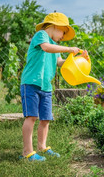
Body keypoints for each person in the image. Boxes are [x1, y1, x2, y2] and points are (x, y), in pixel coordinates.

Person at [19, 12, 88, 161]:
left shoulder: (55, 46)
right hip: (31, 83)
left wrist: (77, 58)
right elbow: (46, 48)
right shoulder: (41, 35)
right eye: (63, 32)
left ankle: (42, 147)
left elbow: (60, 62)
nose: (63, 37)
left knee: (46, 118)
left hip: (46, 86)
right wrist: (69, 48)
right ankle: (27, 152)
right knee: (31, 117)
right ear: (56, 26)